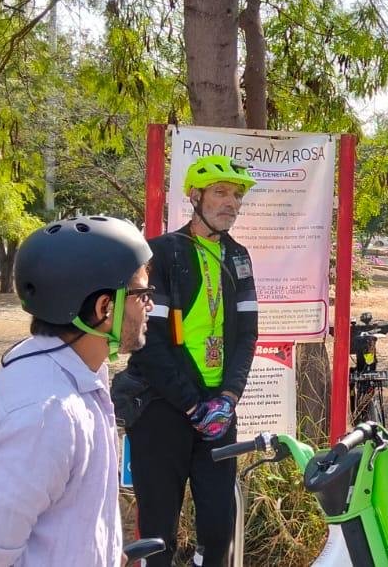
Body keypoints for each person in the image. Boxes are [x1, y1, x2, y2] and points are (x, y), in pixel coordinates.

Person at [0, 216, 154, 566]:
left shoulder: (75, 371)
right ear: (105, 308)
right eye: (142, 294)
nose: (149, 306)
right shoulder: (47, 413)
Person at [124, 155, 261, 567]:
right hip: (164, 409)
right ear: (195, 196)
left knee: (219, 530)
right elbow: (148, 344)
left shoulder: (239, 256)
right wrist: (191, 403)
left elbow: (248, 334)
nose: (231, 203)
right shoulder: (162, 253)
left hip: (219, 411)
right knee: (158, 534)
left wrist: (228, 399)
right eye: (221, 193)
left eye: (237, 196)